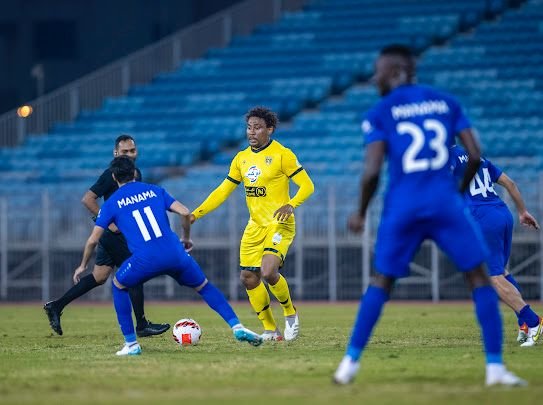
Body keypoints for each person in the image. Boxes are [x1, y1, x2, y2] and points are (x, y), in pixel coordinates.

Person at [333, 44, 526, 387]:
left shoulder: (381, 111)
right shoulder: (446, 102)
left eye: (379, 71)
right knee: (479, 278)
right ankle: (495, 368)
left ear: (396, 72)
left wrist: (360, 212)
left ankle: (348, 365)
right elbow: (475, 154)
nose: (375, 78)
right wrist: (456, 193)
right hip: (445, 204)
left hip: (403, 205)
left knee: (382, 280)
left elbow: (372, 171)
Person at [74, 155, 263, 355]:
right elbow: (185, 212)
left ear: (114, 177)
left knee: (119, 285)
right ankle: (236, 326)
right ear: (134, 173)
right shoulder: (155, 190)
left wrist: (83, 264)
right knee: (204, 286)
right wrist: (186, 238)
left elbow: (93, 240)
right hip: (174, 253)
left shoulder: (111, 203)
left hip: (144, 259)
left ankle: (131, 344)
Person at [190, 106, 314, 341]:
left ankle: (290, 313)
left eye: (257, 127)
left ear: (270, 129)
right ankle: (271, 330)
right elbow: (223, 190)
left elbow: (307, 185)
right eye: (249, 127)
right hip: (255, 226)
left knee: (268, 271)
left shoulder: (282, 154)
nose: (252, 132)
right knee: (248, 277)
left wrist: (291, 204)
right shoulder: (241, 158)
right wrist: (196, 214)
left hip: (279, 223)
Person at [44, 135, 169, 337]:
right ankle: (142, 325)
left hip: (117, 235)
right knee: (136, 271)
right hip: (113, 235)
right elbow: (88, 199)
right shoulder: (111, 174)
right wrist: (108, 223)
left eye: (132, 150)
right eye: (125, 151)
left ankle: (56, 306)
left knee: (99, 276)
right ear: (115, 153)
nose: (129, 154)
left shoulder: (135, 172)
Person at [450, 144, 542, 346]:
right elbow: (510, 183)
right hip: (502, 214)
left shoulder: (447, 157)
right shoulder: (477, 157)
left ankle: (534, 321)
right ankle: (524, 324)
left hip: (482, 218)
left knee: (492, 278)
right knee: (502, 272)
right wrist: (523, 212)